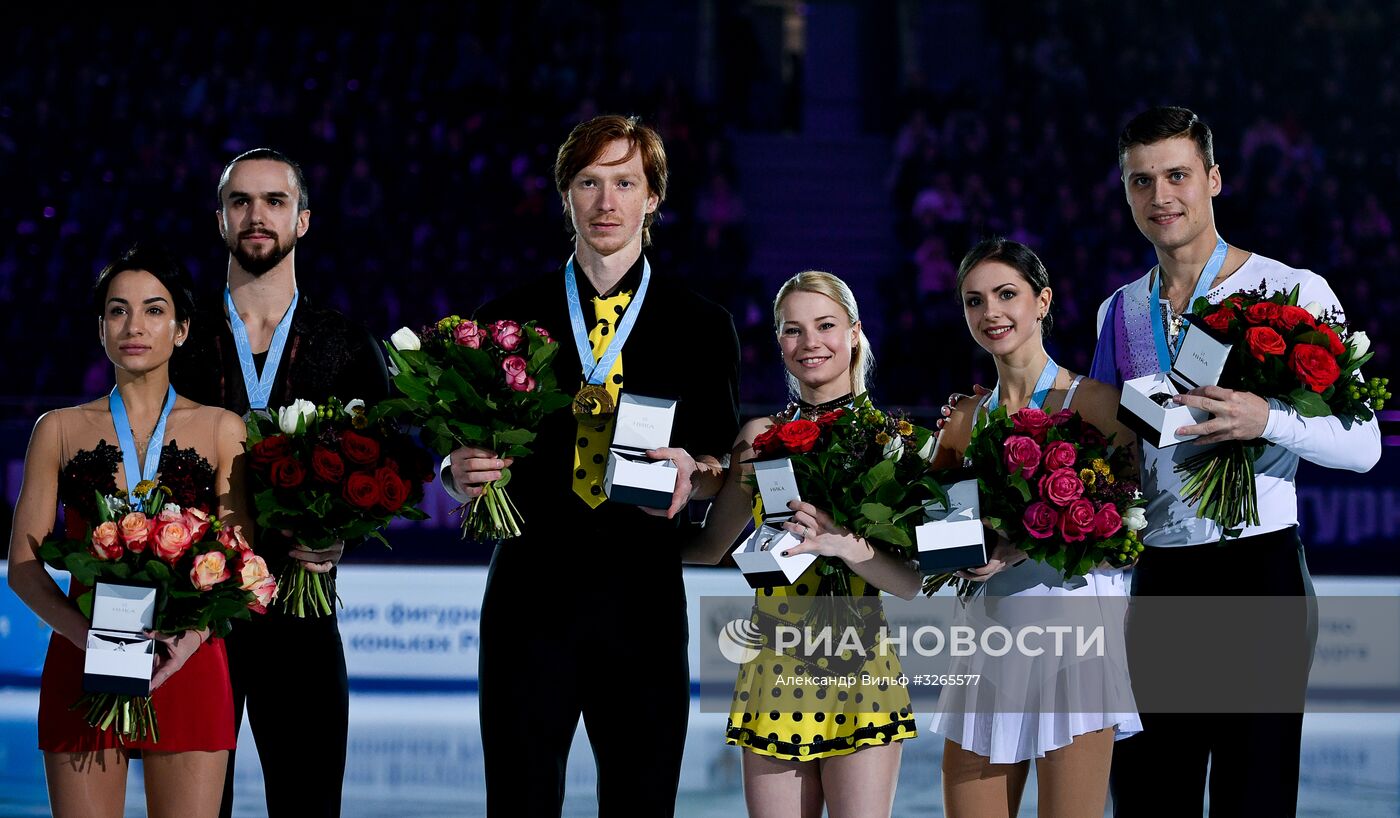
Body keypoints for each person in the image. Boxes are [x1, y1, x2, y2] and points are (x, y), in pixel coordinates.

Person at [442, 114, 741, 816]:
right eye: (589, 182)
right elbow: (463, 450)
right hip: (528, 596)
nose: (607, 202)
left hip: (641, 598)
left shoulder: (701, 323)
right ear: (566, 195)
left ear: (654, 198)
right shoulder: (507, 315)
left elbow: (721, 458)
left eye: (625, 183)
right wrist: (454, 470)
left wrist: (693, 474)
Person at [1091, 106, 1382, 817]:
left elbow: (1365, 444)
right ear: (1126, 193)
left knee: (1255, 797)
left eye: (1178, 175)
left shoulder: (1294, 290)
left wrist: (1268, 419)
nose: (1161, 195)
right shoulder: (1118, 313)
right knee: (1151, 797)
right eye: (1142, 181)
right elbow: (1109, 452)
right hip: (1158, 579)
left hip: (1259, 574)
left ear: (1214, 179)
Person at [170, 148, 390, 818]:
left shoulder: (347, 343)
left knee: (309, 805)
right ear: (220, 221)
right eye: (240, 202)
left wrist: (342, 535)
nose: (256, 216)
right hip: (196, 622)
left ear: (304, 221)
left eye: (274, 202)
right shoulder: (179, 337)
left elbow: (385, 470)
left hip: (301, 613)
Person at [8, 245, 249, 817]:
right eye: (118, 311)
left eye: (153, 310)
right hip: (82, 657)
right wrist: (87, 638)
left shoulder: (221, 428)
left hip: (186, 659)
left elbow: (242, 562)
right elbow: (23, 565)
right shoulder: (58, 429)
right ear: (101, 328)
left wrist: (183, 646)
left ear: (182, 329)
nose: (134, 326)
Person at [683, 270, 921, 818]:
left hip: (858, 670)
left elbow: (909, 583)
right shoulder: (760, 437)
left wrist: (844, 544)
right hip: (776, 668)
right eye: (793, 330)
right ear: (779, 342)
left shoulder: (893, 441)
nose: (810, 342)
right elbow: (709, 546)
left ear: (855, 333)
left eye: (825, 325)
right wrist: (610, 535)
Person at [931, 238, 1141, 818]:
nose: (990, 313)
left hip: (1075, 644)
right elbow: (934, 520)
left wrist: (1016, 545)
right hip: (985, 644)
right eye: (974, 301)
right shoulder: (964, 419)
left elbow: (1126, 527)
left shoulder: (1098, 402)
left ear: (1042, 300)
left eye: (1006, 295)